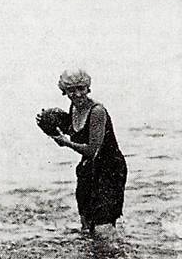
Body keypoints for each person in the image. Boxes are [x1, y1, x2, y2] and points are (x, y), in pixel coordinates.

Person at [38, 69, 127, 232]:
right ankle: (91, 256)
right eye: (71, 90)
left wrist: (66, 143)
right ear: (64, 92)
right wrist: (51, 130)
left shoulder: (97, 111)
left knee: (103, 226)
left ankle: (116, 255)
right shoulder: (73, 109)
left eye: (81, 88)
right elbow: (74, 134)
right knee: (86, 224)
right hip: (88, 169)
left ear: (88, 88)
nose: (77, 94)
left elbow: (92, 150)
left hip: (110, 170)